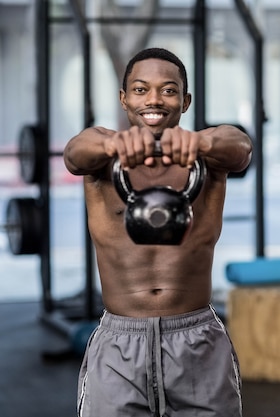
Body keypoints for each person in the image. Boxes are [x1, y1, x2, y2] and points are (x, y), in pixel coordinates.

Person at [63, 47, 252, 417]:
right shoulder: (101, 155)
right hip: (119, 340)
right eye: (140, 89)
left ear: (185, 100)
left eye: (168, 90)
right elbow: (74, 153)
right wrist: (110, 144)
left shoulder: (208, 156)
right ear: (124, 99)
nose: (154, 99)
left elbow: (241, 147)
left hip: (197, 336)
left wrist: (201, 142)